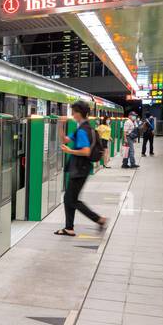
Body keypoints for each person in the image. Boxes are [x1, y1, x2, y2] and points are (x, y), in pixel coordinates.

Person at [55, 102, 108, 237]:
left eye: (73, 112)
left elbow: (85, 152)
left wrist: (70, 151)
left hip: (79, 169)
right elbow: (65, 139)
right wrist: (61, 125)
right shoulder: (85, 128)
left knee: (71, 200)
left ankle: (99, 219)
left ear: (78, 113)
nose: (72, 115)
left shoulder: (83, 131)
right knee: (69, 198)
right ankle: (69, 228)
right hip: (80, 168)